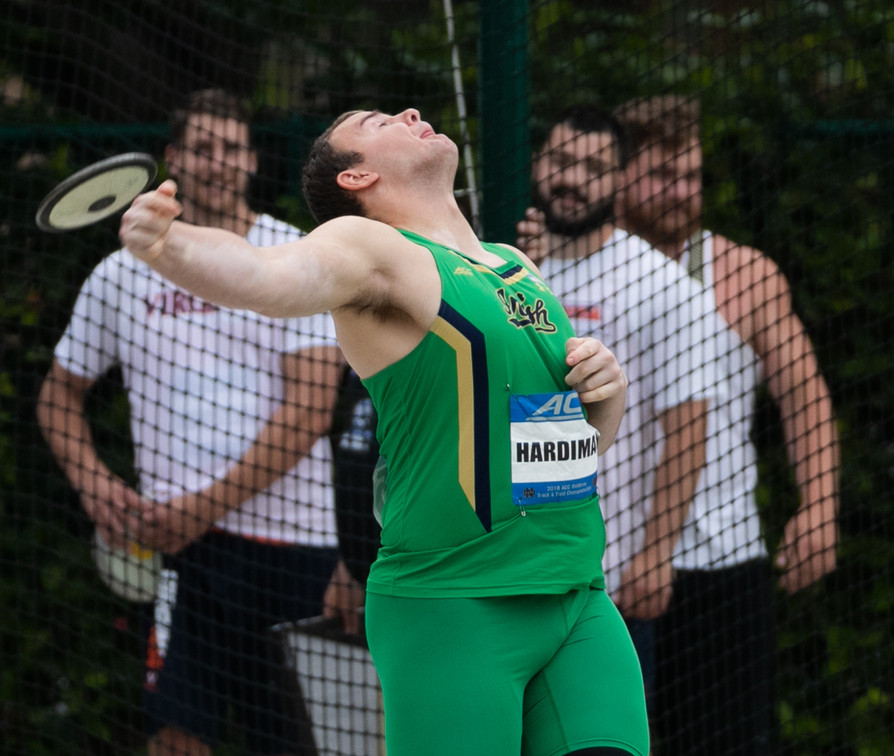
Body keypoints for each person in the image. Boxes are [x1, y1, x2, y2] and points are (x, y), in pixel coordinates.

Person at [116, 105, 648, 756]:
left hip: (578, 598)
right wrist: (171, 244)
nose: (410, 112)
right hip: (453, 609)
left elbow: (560, 462)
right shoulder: (371, 251)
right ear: (356, 178)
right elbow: (266, 275)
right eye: (376, 121)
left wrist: (607, 400)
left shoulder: (515, 264)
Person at [36, 89, 362, 756]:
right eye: (202, 148)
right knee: (175, 741)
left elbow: (308, 409)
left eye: (231, 148)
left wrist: (202, 507)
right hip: (184, 557)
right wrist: (95, 484)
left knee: (304, 745)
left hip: (294, 550)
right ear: (172, 158)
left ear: (251, 160)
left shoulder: (296, 257)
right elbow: (56, 397)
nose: (218, 162)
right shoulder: (122, 271)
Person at [613, 94, 841, 755]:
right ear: (622, 174)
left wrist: (820, 507)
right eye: (662, 175)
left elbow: (804, 396)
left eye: (693, 177)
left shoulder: (745, 274)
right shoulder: (574, 269)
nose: (682, 193)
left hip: (720, 559)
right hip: (606, 564)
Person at [522, 105, 710, 700]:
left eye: (593, 166)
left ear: (620, 180)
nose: (571, 178)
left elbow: (688, 427)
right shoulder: (502, 267)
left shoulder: (661, 284)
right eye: (560, 160)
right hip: (510, 565)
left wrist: (657, 555)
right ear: (536, 164)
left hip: (607, 574)